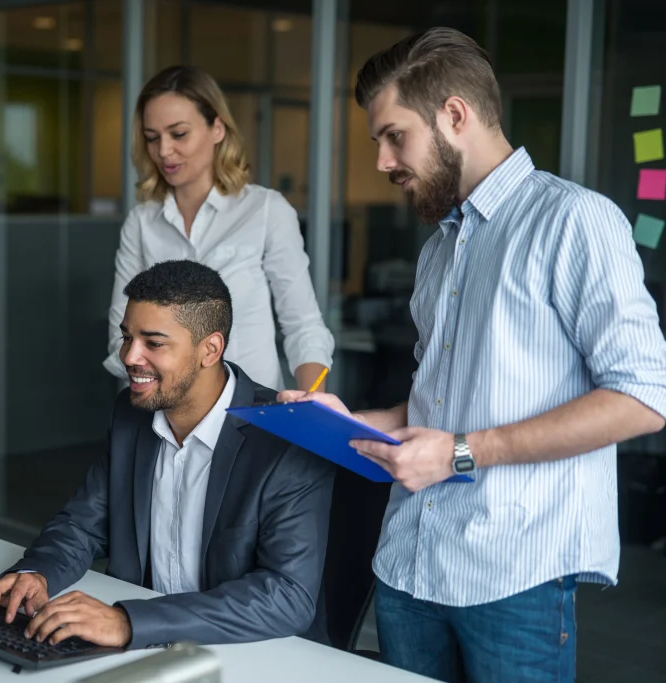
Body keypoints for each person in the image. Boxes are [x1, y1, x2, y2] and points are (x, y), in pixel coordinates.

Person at [280, 27, 666, 683]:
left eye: (394, 135)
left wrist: (461, 451)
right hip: (408, 563)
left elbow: (643, 399)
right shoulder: (438, 250)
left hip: (513, 576)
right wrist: (354, 418)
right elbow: (445, 397)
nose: (381, 160)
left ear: (454, 115)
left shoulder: (574, 221)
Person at [0, 260, 336, 649]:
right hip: (148, 651)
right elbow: (84, 522)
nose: (129, 356)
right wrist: (37, 573)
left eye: (153, 343)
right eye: (127, 337)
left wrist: (130, 622)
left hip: (256, 653)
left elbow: (288, 597)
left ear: (210, 349)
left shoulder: (287, 438)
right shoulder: (131, 413)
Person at [103, 65, 334, 392]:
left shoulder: (265, 211)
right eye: (152, 138)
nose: (164, 151)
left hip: (250, 416)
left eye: (179, 134)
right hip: (164, 422)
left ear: (217, 129)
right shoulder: (141, 223)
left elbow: (304, 327)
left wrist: (313, 405)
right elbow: (120, 337)